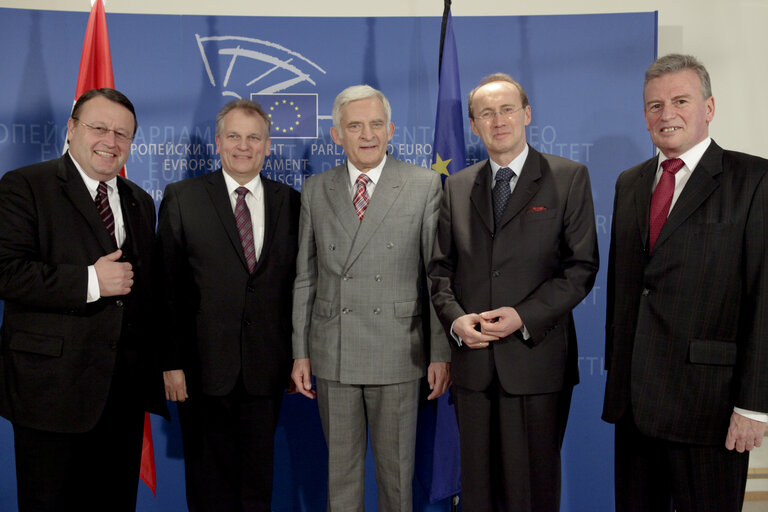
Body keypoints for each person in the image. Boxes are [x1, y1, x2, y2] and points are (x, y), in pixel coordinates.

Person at [602, 53, 768, 512]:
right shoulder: (629, 183)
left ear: (709, 108)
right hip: (634, 406)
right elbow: (626, 287)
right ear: (644, 115)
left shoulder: (754, 179)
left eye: (680, 100)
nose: (666, 114)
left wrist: (754, 405)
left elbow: (765, 298)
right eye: (655, 105)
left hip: (709, 408)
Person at [429, 73, 599, 512]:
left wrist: (523, 316)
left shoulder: (568, 177)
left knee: (532, 493)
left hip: (536, 362)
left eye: (507, 109)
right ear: (473, 125)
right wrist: (455, 320)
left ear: (527, 114)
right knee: (478, 495)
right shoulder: (458, 186)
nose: (498, 120)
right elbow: (440, 271)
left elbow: (581, 268)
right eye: (486, 113)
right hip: (473, 365)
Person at [0, 88, 167, 511]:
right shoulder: (25, 185)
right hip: (51, 393)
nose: (110, 142)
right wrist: (90, 281)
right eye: (99, 128)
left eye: (123, 134)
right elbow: (7, 272)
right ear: (71, 129)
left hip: (122, 396)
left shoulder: (140, 201)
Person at [291, 84, 450, 512]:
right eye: (355, 125)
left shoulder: (423, 185)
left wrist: (440, 353)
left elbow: (436, 278)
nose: (367, 134)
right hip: (333, 352)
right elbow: (305, 277)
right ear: (336, 134)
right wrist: (300, 352)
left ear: (392, 130)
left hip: (399, 350)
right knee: (340, 477)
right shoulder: (315, 189)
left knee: (397, 478)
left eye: (376, 124)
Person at [156, 99, 300, 511]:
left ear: (268, 145)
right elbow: (167, 287)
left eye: (254, 137)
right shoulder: (183, 197)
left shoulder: (290, 202)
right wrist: (170, 362)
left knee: (257, 484)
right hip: (202, 371)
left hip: (267, 371)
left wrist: (297, 357)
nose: (243, 146)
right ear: (218, 143)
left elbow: (298, 287)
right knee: (207, 485)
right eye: (234, 136)